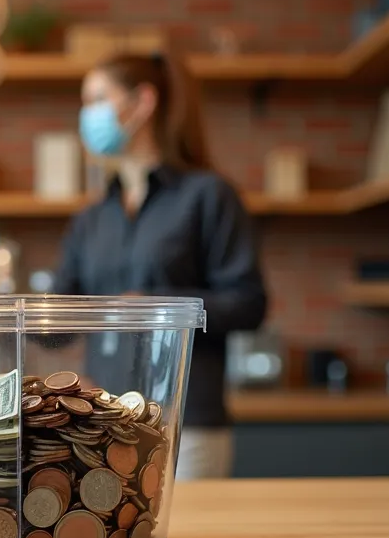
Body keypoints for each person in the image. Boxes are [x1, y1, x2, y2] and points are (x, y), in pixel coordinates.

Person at [53, 51, 268, 480]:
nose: (87, 115)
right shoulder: (92, 217)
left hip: (185, 426)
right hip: (100, 424)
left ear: (143, 102)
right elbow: (59, 327)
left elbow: (248, 304)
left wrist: (155, 306)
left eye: (98, 99)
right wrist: (3, 304)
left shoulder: (208, 196)